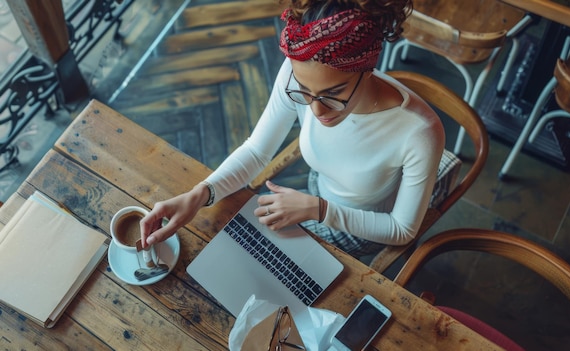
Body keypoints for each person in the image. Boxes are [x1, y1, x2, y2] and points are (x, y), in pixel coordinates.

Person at [140, 0, 445, 257]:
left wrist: (320, 210)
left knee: (245, 251)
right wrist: (199, 194)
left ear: (368, 69)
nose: (315, 109)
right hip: (313, 195)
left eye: (333, 94)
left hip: (364, 225)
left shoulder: (420, 132)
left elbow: (402, 230)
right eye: (304, 90)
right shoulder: (294, 72)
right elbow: (258, 151)